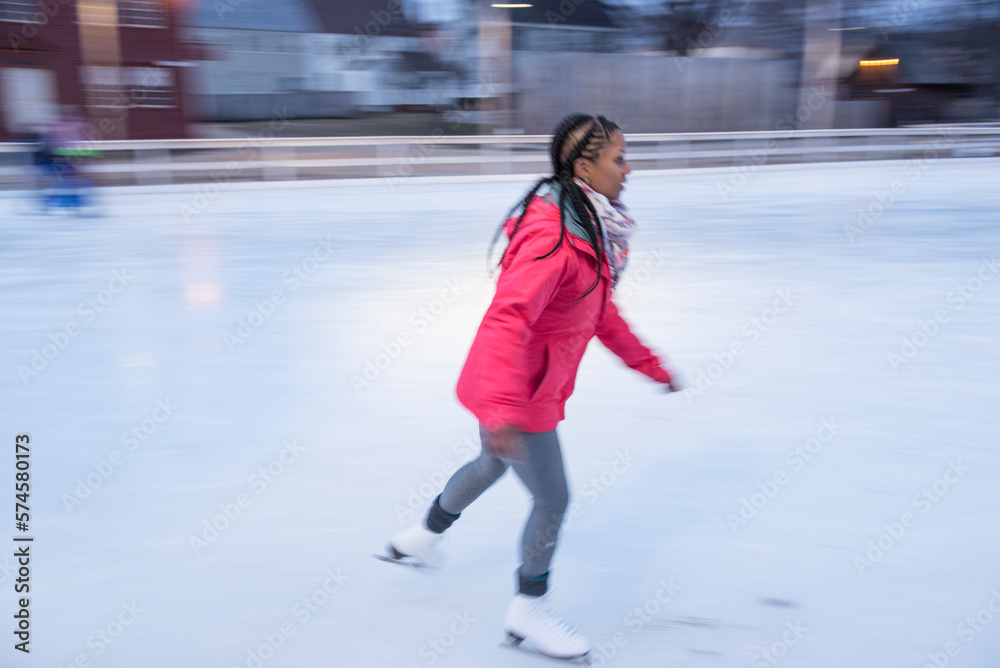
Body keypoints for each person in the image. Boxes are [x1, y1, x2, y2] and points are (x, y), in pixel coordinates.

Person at [384, 113, 679, 661]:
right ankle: (528, 612)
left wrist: (650, 365)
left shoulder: (583, 224)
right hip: (518, 393)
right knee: (554, 499)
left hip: (518, 387)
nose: (628, 167)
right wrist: (501, 408)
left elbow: (598, 312)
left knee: (489, 466)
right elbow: (507, 319)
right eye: (619, 158)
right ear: (585, 166)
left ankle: (422, 537)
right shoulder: (554, 235)